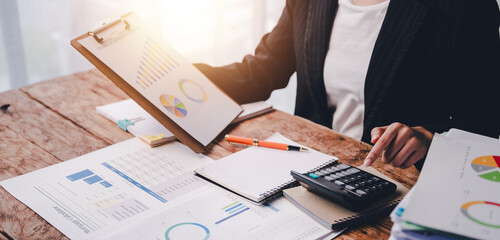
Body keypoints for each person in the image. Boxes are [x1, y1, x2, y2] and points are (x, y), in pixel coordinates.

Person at [195, 0, 500, 170]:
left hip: (401, 183)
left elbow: (485, 118)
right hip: (310, 170)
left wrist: (430, 136)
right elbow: (261, 71)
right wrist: (178, 74)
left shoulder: (464, 6)